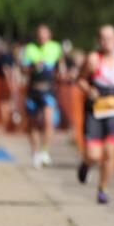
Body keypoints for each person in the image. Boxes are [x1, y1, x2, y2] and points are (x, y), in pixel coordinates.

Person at [76, 25, 114, 204]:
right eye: (102, 38)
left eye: (109, 38)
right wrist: (89, 90)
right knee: (94, 154)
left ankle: (103, 189)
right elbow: (80, 80)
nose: (106, 41)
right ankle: (86, 164)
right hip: (95, 110)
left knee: (109, 152)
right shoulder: (93, 59)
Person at [22, 24, 66, 168]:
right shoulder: (30, 49)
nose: (42, 36)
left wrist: (63, 74)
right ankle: (35, 152)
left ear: (50, 35)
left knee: (48, 120)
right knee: (32, 123)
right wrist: (32, 66)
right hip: (33, 90)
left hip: (48, 90)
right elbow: (23, 69)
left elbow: (61, 66)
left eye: (44, 34)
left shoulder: (55, 47)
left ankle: (45, 151)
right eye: (39, 34)